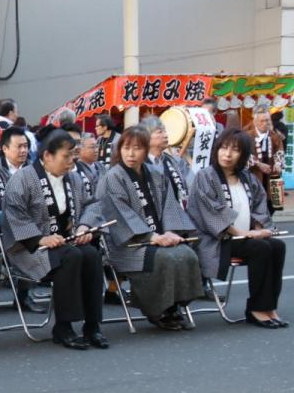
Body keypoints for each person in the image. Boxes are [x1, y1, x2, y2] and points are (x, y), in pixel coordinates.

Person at [2, 129, 107, 349]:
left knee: (91, 255)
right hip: (29, 249)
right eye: (66, 156)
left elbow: (91, 204)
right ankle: (63, 326)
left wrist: (85, 226)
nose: (71, 161)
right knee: (71, 256)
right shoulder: (23, 178)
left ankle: (92, 325)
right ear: (47, 156)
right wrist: (41, 238)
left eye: (73, 156)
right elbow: (14, 215)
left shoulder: (74, 177)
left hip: (66, 242)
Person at [98, 125, 203, 332]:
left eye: (136, 148)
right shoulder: (112, 178)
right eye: (126, 148)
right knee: (164, 258)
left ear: (146, 150)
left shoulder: (156, 174)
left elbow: (170, 207)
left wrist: (172, 232)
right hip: (128, 244)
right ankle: (158, 310)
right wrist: (152, 236)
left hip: (159, 238)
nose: (130, 153)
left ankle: (174, 306)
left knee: (187, 254)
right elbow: (118, 215)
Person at [186, 128, 286, 328]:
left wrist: (258, 229)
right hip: (217, 240)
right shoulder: (206, 176)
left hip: (246, 237)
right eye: (223, 148)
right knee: (261, 248)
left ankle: (269, 307)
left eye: (235, 150)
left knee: (277, 246)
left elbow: (259, 204)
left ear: (244, 155)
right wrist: (244, 234)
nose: (227, 154)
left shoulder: (247, 177)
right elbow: (210, 212)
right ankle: (256, 309)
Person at [144, 119, 191, 208]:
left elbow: (191, 183)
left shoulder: (174, 160)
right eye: (159, 132)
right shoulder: (140, 164)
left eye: (165, 131)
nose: (165, 135)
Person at [248, 109, 285, 212]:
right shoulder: (247, 135)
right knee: (255, 201)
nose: (266, 123)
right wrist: (258, 164)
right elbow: (243, 154)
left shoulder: (274, 135)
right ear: (255, 122)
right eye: (262, 121)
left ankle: (268, 223)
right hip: (254, 174)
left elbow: (279, 151)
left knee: (272, 203)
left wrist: (278, 163)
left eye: (268, 120)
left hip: (271, 175)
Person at [0, 125, 31, 201]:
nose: (23, 150)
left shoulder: (34, 169)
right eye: (19, 146)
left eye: (25, 146)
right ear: (5, 148)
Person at [73, 134, 106, 199]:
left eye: (97, 146)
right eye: (92, 147)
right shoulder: (76, 169)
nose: (96, 150)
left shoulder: (101, 166)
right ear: (80, 149)